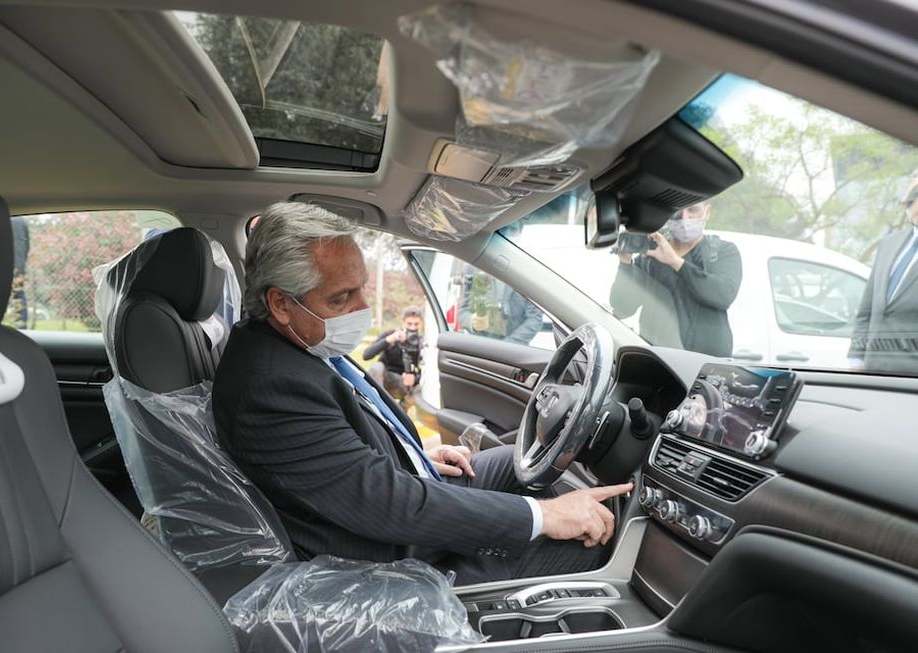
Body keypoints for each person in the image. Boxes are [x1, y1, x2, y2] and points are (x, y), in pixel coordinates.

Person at [212, 201, 633, 585]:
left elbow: (331, 462)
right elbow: (383, 503)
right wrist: (547, 516)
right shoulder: (268, 384)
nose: (362, 307)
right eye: (342, 297)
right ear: (281, 304)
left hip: (380, 509)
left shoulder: (294, 344)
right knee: (581, 541)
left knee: (515, 464)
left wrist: (408, 456)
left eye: (361, 287)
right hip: (389, 562)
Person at [609, 202, 742, 357]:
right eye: (678, 212)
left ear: (707, 212)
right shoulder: (650, 255)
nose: (685, 218)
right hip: (659, 362)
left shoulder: (723, 251)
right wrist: (625, 262)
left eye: (693, 210)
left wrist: (675, 262)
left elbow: (723, 295)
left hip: (706, 367)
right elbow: (622, 308)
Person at [849, 172, 918, 374]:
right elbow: (867, 310)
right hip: (873, 375)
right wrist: (856, 359)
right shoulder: (889, 243)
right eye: (910, 198)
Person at [363, 305, 424, 402]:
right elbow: (366, 355)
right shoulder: (390, 335)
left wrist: (415, 378)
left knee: (424, 386)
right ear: (403, 323)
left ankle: (401, 412)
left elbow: (430, 372)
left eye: (416, 324)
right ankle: (378, 404)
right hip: (385, 380)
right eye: (409, 324)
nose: (413, 328)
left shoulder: (423, 343)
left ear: (421, 324)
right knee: (377, 367)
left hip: (406, 384)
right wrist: (388, 341)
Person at [10, 216, 30, 329]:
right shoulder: (22, 221)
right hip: (18, 264)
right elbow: (27, 244)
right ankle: (21, 325)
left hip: (2, 262)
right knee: (18, 294)